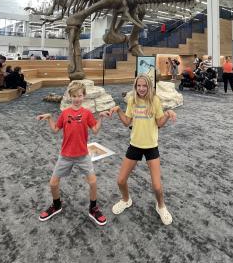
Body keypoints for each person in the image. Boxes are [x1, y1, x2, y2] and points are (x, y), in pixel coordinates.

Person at [36, 82, 110, 225]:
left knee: (93, 182)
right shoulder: (65, 113)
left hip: (83, 155)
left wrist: (101, 118)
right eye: (74, 96)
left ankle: (93, 208)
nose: (77, 98)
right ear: (70, 97)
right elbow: (56, 129)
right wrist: (49, 117)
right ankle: (56, 205)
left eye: (80, 96)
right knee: (53, 183)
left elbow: (94, 130)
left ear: (84, 96)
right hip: (65, 155)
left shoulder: (87, 113)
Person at [109, 74, 176, 225]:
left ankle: (161, 206)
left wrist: (167, 114)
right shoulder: (132, 100)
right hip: (135, 145)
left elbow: (159, 123)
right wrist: (119, 110)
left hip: (151, 147)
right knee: (120, 180)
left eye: (144, 86)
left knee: (157, 187)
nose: (141, 88)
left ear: (149, 86)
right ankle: (126, 200)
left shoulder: (155, 100)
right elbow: (127, 122)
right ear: (135, 86)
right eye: (138, 86)